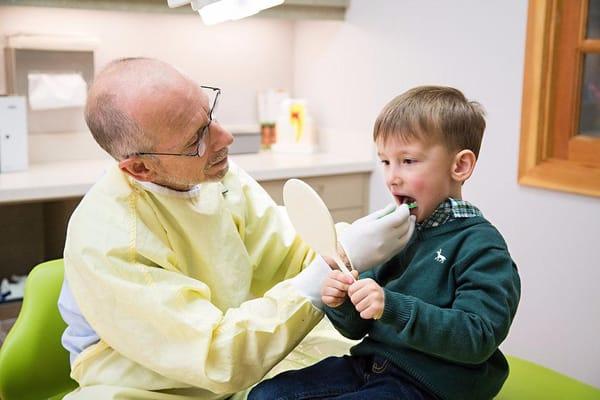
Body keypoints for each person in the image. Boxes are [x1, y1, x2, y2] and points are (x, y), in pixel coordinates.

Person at [56, 57, 416, 400]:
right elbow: (213, 357)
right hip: (149, 382)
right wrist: (329, 268)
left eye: (210, 114)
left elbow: (292, 253)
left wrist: (355, 247)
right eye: (197, 139)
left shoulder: (212, 177)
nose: (225, 137)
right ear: (140, 169)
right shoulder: (111, 240)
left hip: (243, 353)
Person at [249, 86, 522, 400]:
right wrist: (341, 303)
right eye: (385, 162)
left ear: (459, 166)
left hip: (433, 385)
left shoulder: (482, 247)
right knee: (265, 395)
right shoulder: (392, 235)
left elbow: (478, 338)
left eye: (407, 161)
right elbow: (357, 329)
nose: (392, 176)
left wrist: (391, 307)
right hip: (369, 365)